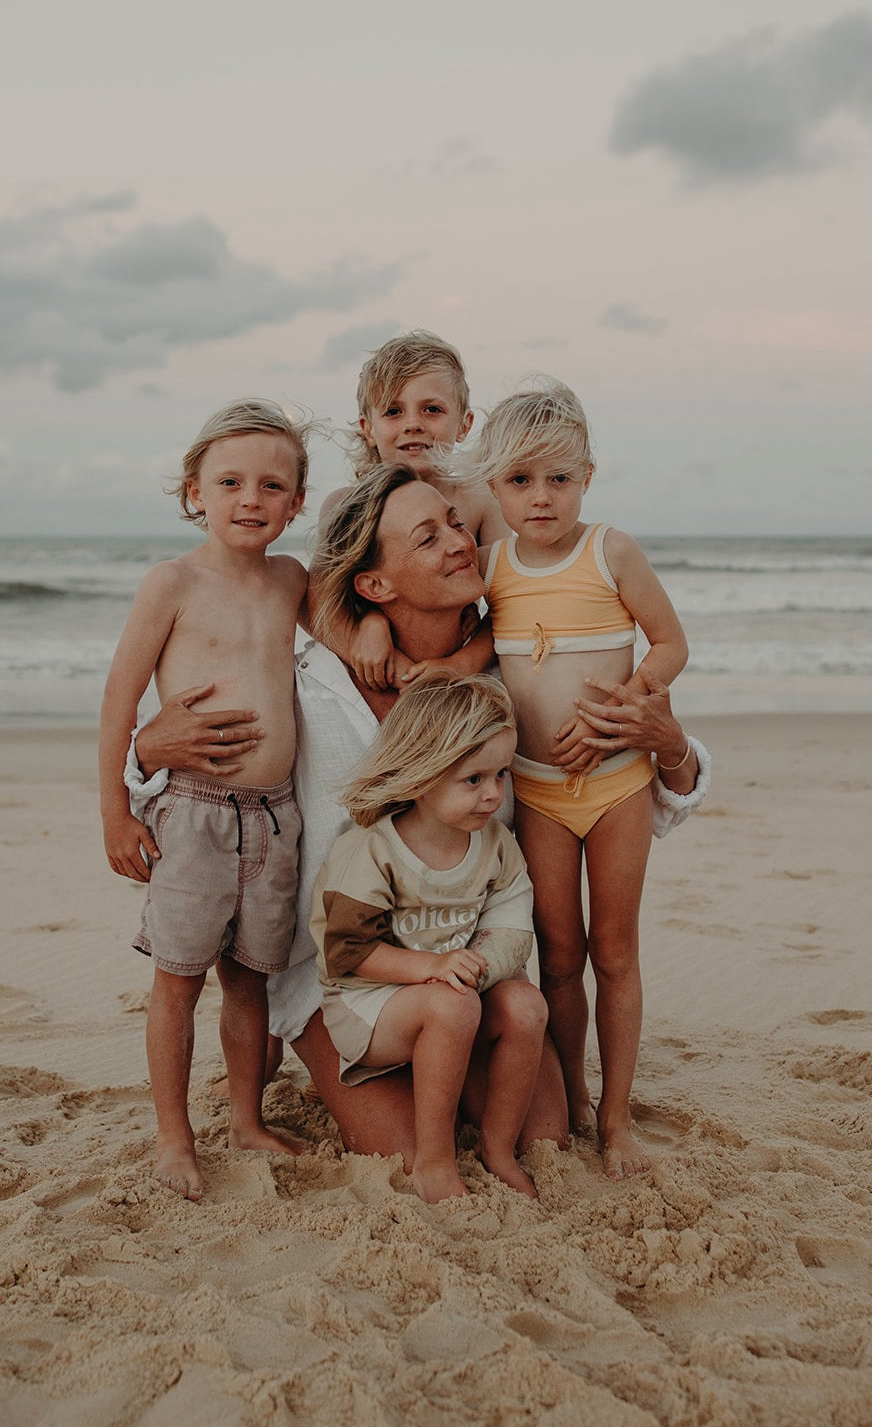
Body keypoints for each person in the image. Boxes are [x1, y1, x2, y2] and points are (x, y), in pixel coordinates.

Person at [129, 463, 710, 1180]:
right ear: (374, 585)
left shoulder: (503, 677)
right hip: (343, 975)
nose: (460, 543)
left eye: (455, 524)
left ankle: (464, 1061)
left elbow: (624, 790)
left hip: (467, 961)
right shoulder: (311, 680)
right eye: (427, 538)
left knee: (544, 1139)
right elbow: (212, 779)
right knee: (406, 1155)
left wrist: (672, 747)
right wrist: (145, 752)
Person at [466, 379, 690, 1178]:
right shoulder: (490, 568)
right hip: (537, 791)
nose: (541, 497)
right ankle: (575, 1094)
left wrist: (623, 709)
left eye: (559, 478)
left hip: (618, 783)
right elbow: (467, 656)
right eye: (521, 481)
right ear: (493, 487)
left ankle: (620, 1116)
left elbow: (668, 645)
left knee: (614, 951)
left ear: (586, 476)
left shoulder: (611, 551)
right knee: (558, 955)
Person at [99, 399, 311, 1201]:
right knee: (179, 981)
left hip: (275, 814)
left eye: (271, 485)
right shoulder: (173, 582)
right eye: (229, 482)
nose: (249, 499)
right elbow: (119, 701)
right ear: (195, 492)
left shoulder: (294, 580)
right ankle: (173, 1137)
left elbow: (350, 645)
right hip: (191, 811)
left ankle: (246, 1118)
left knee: (250, 979)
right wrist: (117, 809)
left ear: (295, 503)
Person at [312, 675, 548, 1202]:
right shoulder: (371, 851)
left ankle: (497, 1148)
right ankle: (434, 1162)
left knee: (527, 1006)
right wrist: (432, 970)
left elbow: (513, 928)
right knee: (451, 1008)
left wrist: (474, 966)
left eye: (501, 775)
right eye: (473, 779)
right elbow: (346, 951)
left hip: (457, 989)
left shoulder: (496, 845)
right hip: (372, 1003)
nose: (493, 794)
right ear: (421, 773)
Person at [311, 330, 506, 692]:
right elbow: (319, 600)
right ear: (368, 428)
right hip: (375, 676)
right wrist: (368, 626)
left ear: (464, 424)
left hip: (460, 669)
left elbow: (513, 604)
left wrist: (461, 664)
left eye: (431, 409)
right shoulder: (345, 506)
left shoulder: (482, 502)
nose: (412, 424)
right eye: (393, 411)